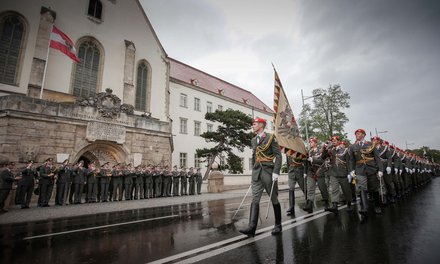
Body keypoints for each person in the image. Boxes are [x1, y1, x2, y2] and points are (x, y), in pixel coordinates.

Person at [239, 117, 282, 237]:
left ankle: (278, 225)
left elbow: (278, 156)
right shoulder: (253, 140)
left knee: (273, 198)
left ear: (262, 125)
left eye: (255, 124)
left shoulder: (270, 137)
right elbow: (254, 157)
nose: (253, 126)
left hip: (268, 171)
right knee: (255, 198)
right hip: (257, 173)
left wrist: (276, 172)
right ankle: (252, 227)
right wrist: (254, 170)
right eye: (253, 124)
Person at [348, 129, 384, 216]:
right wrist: (351, 170)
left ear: (364, 135)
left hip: (371, 168)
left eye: (359, 133)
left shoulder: (370, 144)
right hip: (359, 169)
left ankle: (377, 206)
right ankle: (364, 208)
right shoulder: (353, 146)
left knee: (374, 188)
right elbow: (351, 160)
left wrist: (380, 170)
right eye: (356, 133)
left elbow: (377, 158)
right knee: (362, 188)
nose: (357, 135)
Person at [321, 136, 353, 213]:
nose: (334, 141)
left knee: (346, 189)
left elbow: (349, 162)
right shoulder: (331, 150)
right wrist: (325, 147)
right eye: (332, 140)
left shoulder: (345, 150)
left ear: (339, 141)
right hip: (333, 172)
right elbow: (323, 157)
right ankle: (334, 205)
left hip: (343, 172)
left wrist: (350, 173)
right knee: (334, 189)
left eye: (335, 140)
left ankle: (349, 203)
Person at [302, 137, 330, 213]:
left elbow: (321, 160)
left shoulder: (320, 151)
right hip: (311, 172)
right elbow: (305, 163)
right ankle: (309, 206)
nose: (310, 143)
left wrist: (312, 159)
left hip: (319, 172)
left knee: (322, 188)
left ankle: (327, 203)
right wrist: (305, 172)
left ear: (315, 143)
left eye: (311, 142)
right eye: (310, 142)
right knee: (310, 188)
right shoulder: (308, 152)